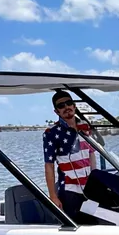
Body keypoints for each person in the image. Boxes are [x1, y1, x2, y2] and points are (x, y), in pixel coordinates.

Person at [43, 90, 97, 218]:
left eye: (68, 103)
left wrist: (96, 181)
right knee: (76, 225)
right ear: (56, 111)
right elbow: (49, 165)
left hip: (90, 188)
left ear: (74, 106)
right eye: (61, 106)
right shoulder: (51, 133)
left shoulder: (84, 126)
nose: (66, 107)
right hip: (70, 190)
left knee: (94, 224)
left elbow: (91, 154)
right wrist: (53, 196)